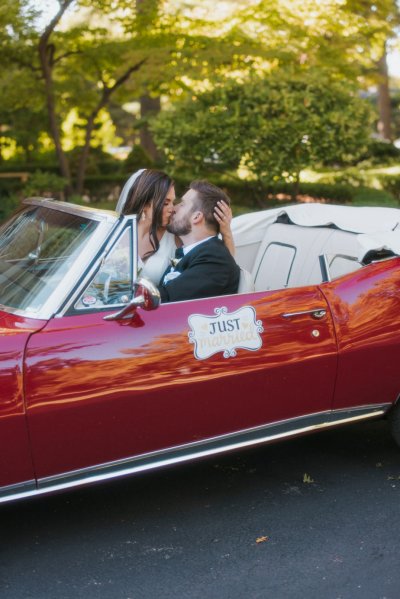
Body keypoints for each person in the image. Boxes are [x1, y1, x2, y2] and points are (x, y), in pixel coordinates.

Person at [117, 169, 235, 286]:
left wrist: (226, 233)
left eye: (173, 202)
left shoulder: (176, 234)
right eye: (165, 203)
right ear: (145, 204)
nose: (172, 209)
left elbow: (222, 266)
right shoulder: (117, 232)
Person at [159, 180, 240, 302]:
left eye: (182, 204)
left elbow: (166, 299)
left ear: (196, 217)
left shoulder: (214, 260)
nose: (174, 208)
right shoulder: (195, 251)